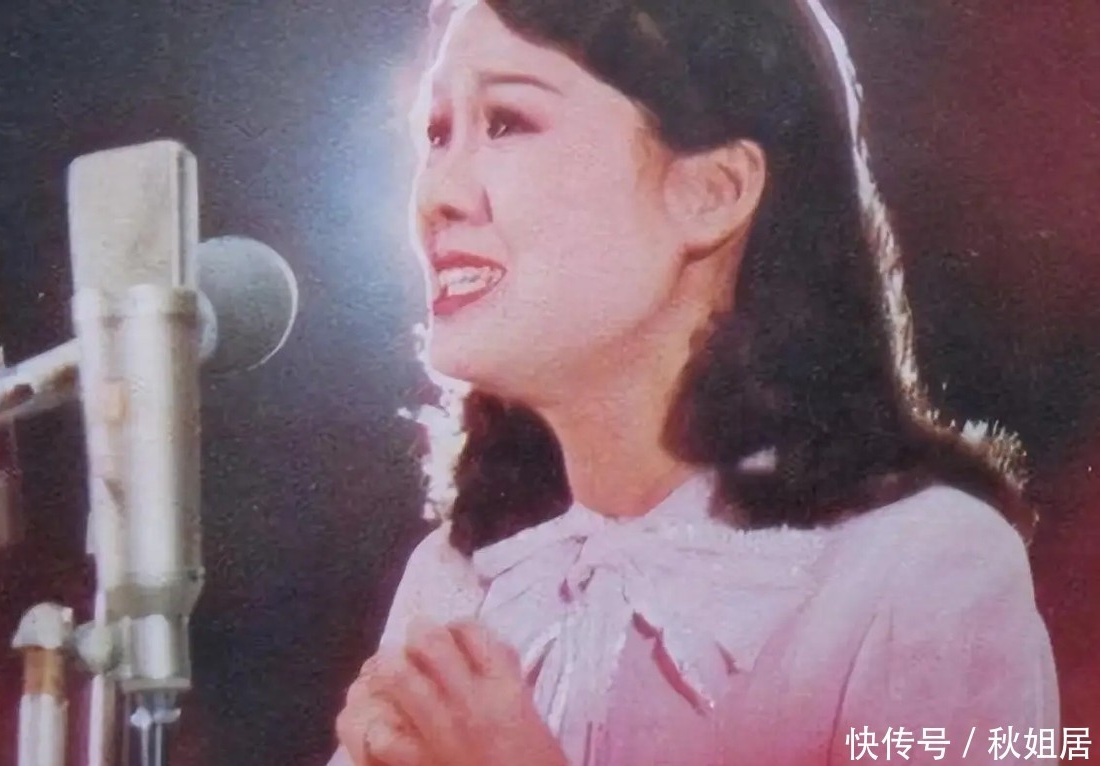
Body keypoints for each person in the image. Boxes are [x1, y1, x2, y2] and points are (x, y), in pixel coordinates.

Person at [329, 0, 1060, 763]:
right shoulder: (463, 578)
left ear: (713, 191)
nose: (436, 196)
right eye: (436, 134)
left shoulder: (922, 568)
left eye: (508, 121)